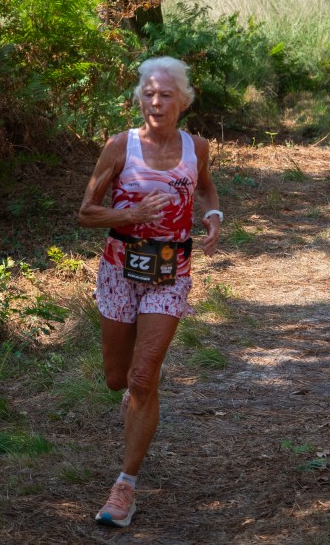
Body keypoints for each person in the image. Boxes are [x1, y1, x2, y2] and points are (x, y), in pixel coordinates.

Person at [78, 56, 221, 528]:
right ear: (140, 98)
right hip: (119, 270)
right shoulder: (120, 146)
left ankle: (125, 486)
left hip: (171, 271)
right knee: (117, 378)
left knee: (143, 376)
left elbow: (206, 189)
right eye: (149, 94)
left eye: (165, 95)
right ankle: (138, 392)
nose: (156, 102)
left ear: (183, 101)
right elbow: (86, 212)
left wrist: (213, 216)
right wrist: (132, 216)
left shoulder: (197, 147)